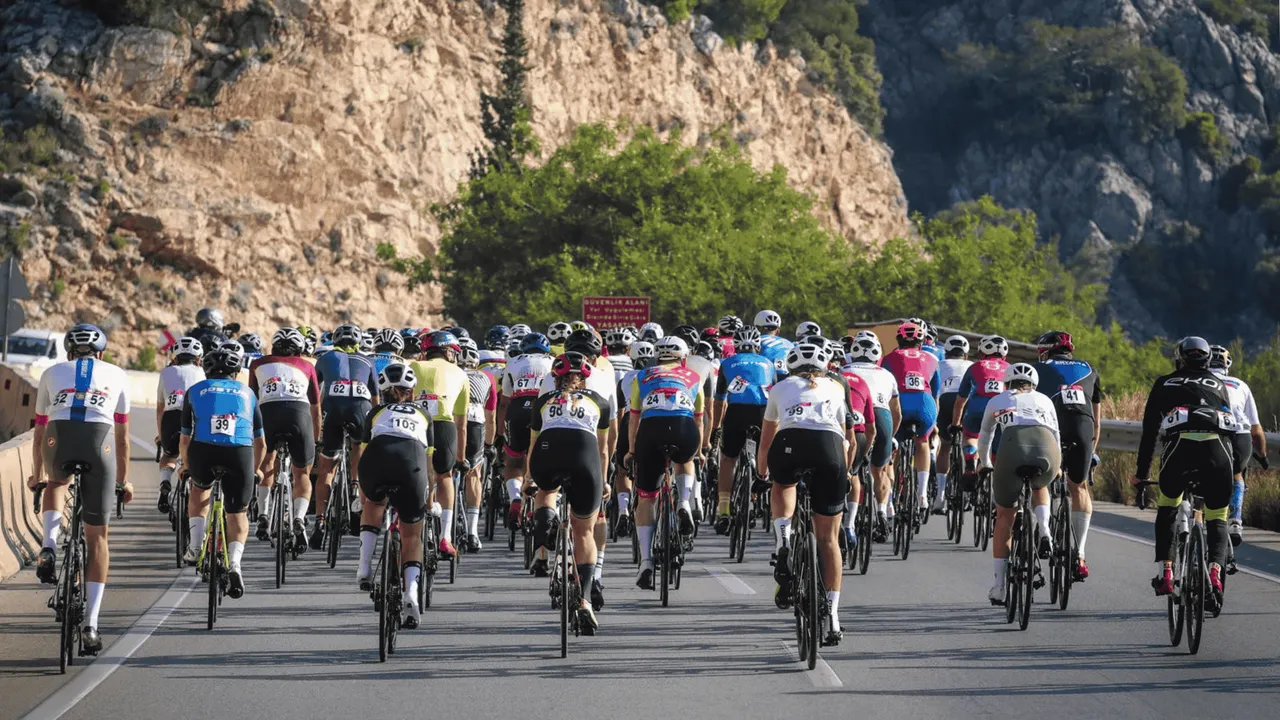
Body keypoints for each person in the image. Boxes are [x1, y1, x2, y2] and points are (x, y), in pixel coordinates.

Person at [29, 324, 133, 655]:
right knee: (97, 538)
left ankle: (48, 546)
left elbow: (37, 431)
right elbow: (123, 438)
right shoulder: (117, 374)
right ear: (101, 353)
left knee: (57, 483)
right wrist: (122, 482)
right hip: (98, 441)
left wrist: (36, 476)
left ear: (68, 353)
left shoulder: (52, 372)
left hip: (58, 436)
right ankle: (91, 626)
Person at [758, 340, 853, 645]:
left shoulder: (780, 388)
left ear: (791, 366)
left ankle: (783, 539)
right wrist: (846, 472)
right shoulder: (836, 388)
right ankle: (834, 618)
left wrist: (763, 471)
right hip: (831, 451)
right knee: (828, 540)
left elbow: (766, 437)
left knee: (782, 485)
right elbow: (847, 438)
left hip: (790, 444)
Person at [1133, 337, 1236, 603]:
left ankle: (1165, 572)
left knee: (1168, 506)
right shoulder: (1220, 384)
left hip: (1179, 450)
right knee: (1217, 515)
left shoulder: (1164, 382)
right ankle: (1215, 571)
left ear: (1179, 358)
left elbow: (1150, 434)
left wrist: (1142, 474)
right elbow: (1232, 433)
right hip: (1219, 453)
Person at [529, 353, 613, 634]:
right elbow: (602, 450)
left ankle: (545, 522)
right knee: (584, 532)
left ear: (555, 378)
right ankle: (585, 600)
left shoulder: (543, 401)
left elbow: (533, 445)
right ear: (585, 378)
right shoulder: (599, 402)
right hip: (585, 460)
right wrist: (603, 482)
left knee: (546, 487)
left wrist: (530, 478)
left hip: (547, 455)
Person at [180, 342, 266, 600]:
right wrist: (257, 470)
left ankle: (195, 547)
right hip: (239, 452)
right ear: (236, 371)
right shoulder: (248, 393)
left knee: (199, 489)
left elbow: (184, 439)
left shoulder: (194, 390)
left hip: (203, 450)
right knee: (237, 512)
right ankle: (236, 565)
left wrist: (186, 467)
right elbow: (261, 441)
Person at [355, 363, 433, 629]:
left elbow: (363, 453)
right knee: (412, 535)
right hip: (412, 463)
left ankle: (364, 566)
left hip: (377, 458)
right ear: (411, 393)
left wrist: (361, 491)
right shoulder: (424, 414)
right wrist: (430, 497)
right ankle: (411, 591)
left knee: (373, 502)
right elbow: (430, 462)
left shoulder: (375, 412)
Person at [625, 336, 704, 590]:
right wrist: (700, 450)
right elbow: (700, 420)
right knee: (685, 460)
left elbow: (634, 419)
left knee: (646, 496)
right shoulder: (693, 377)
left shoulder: (643, 376)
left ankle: (646, 561)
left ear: (657, 357)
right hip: (684, 428)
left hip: (651, 430)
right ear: (683, 358)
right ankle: (683, 502)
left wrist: (631, 451)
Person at [977, 363, 1060, 605]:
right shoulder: (1045, 400)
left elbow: (985, 437)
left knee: (1004, 516)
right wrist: (1059, 465)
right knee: (1039, 485)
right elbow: (1056, 435)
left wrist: (984, 463)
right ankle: (1045, 530)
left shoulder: (997, 400)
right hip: (1047, 451)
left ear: (1006, 383)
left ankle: (1000, 587)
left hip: (1013, 449)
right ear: (1034, 384)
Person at [1032, 330, 1104, 579]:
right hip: (1083, 428)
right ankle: (1081, 555)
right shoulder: (1089, 369)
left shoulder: (1038, 369)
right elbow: (1096, 422)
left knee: (1040, 481)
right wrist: (1091, 453)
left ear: (1046, 350)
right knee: (1079, 487)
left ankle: (1045, 533)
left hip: (1054, 425)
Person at [247, 328, 321, 547]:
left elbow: (252, 398)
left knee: (267, 462)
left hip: (268, 414)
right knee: (302, 473)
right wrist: (315, 441)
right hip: (299, 416)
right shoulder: (308, 365)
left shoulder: (257, 364)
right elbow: (316, 409)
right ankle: (298, 517)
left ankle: (263, 514)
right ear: (299, 350)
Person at [311, 324, 379, 549]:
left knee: (327, 468)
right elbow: (377, 400)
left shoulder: (324, 358)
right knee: (359, 445)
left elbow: (313, 394)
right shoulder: (368, 360)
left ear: (334, 342)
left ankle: (320, 521)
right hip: (360, 409)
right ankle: (354, 486)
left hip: (333, 408)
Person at [410, 330, 470, 557]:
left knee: (413, 473)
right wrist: (461, 459)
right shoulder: (460, 374)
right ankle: (445, 536)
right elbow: (461, 424)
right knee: (445, 475)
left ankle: (400, 519)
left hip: (416, 422)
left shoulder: (415, 366)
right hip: (444, 424)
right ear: (447, 352)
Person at [711, 327, 775, 534]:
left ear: (736, 346)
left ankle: (724, 511)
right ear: (758, 346)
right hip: (762, 412)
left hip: (737, 412)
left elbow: (719, 401)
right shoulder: (769, 363)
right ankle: (761, 481)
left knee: (728, 459)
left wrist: (715, 428)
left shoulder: (727, 363)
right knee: (765, 450)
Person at [842, 334, 900, 542]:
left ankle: (849, 524)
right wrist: (890, 437)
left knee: (853, 471)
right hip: (882, 415)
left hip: (857, 417)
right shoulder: (887, 375)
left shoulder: (843, 372)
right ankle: (882, 512)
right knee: (880, 470)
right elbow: (897, 413)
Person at [497, 332, 555, 536]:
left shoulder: (512, 362)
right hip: (544, 408)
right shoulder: (554, 362)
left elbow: (504, 401)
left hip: (517, 408)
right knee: (543, 458)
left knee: (513, 462)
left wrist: (499, 431)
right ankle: (540, 499)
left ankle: (515, 497)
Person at [1208, 345, 1267, 547]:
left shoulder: (1197, 381)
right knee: (1237, 472)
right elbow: (1256, 430)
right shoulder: (1240, 385)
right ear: (1228, 364)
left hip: (1207, 434)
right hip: (1239, 434)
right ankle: (1235, 520)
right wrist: (1263, 454)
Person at [882, 321, 941, 515]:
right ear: (921, 341)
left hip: (900, 404)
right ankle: (922, 494)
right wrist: (935, 425)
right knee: (923, 442)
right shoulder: (932, 358)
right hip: (925, 404)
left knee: (892, 448)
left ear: (899, 339)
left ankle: (889, 500)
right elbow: (936, 394)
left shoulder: (890, 357)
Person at [951, 335, 1010, 488]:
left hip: (977, 409)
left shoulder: (975, 367)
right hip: (1001, 410)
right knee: (998, 447)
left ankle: (970, 463)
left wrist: (955, 424)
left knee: (970, 436)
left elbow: (960, 401)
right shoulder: (1010, 368)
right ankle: (998, 480)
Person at [612, 340, 657, 537]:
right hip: (653, 419)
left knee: (622, 469)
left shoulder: (625, 379)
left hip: (630, 419)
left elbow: (620, 413)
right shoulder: (656, 375)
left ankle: (623, 509)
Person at [156, 337, 205, 514]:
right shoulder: (202, 373)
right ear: (198, 359)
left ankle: (165, 482)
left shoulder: (166, 373)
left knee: (168, 457)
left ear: (175, 358)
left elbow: (160, 408)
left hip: (171, 416)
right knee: (193, 460)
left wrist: (161, 435)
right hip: (194, 417)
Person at [460, 336, 498, 551]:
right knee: (474, 474)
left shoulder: (451, 373)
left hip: (449, 423)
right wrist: (490, 445)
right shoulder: (487, 377)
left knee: (442, 474)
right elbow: (491, 416)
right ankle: (472, 532)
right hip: (475, 421)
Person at [934, 335, 972, 514]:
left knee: (945, 446)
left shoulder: (938, 364)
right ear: (965, 355)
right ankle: (971, 473)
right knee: (971, 440)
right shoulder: (972, 365)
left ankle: (940, 494)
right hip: (967, 401)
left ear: (946, 353)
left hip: (946, 399)